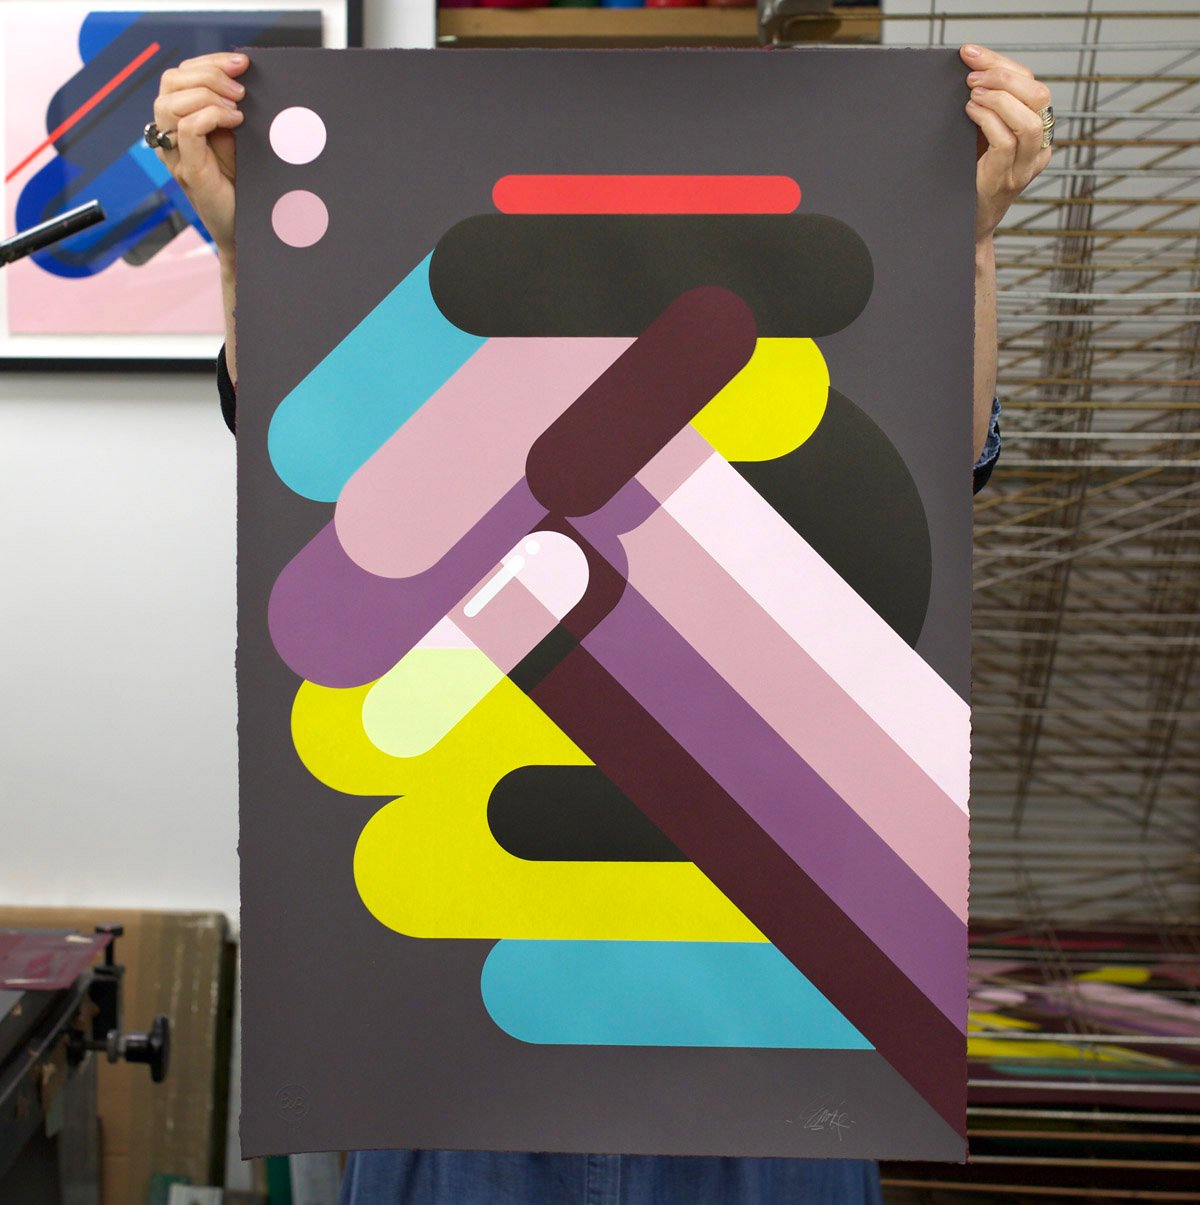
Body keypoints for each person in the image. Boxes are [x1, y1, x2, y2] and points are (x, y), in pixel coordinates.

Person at [152, 41, 1051, 1205]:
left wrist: (960, 244)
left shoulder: (785, 348)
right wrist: (246, 252)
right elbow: (304, 472)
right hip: (461, 1050)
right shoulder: (439, 340)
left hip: (758, 1030)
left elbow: (935, 470)